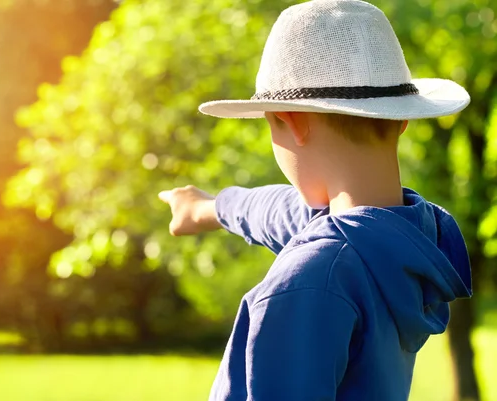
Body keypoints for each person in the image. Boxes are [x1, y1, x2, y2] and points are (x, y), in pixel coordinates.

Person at [158, 0, 472, 400]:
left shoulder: (310, 281)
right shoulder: (412, 238)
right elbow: (279, 212)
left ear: (292, 121)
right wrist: (207, 208)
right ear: (401, 119)